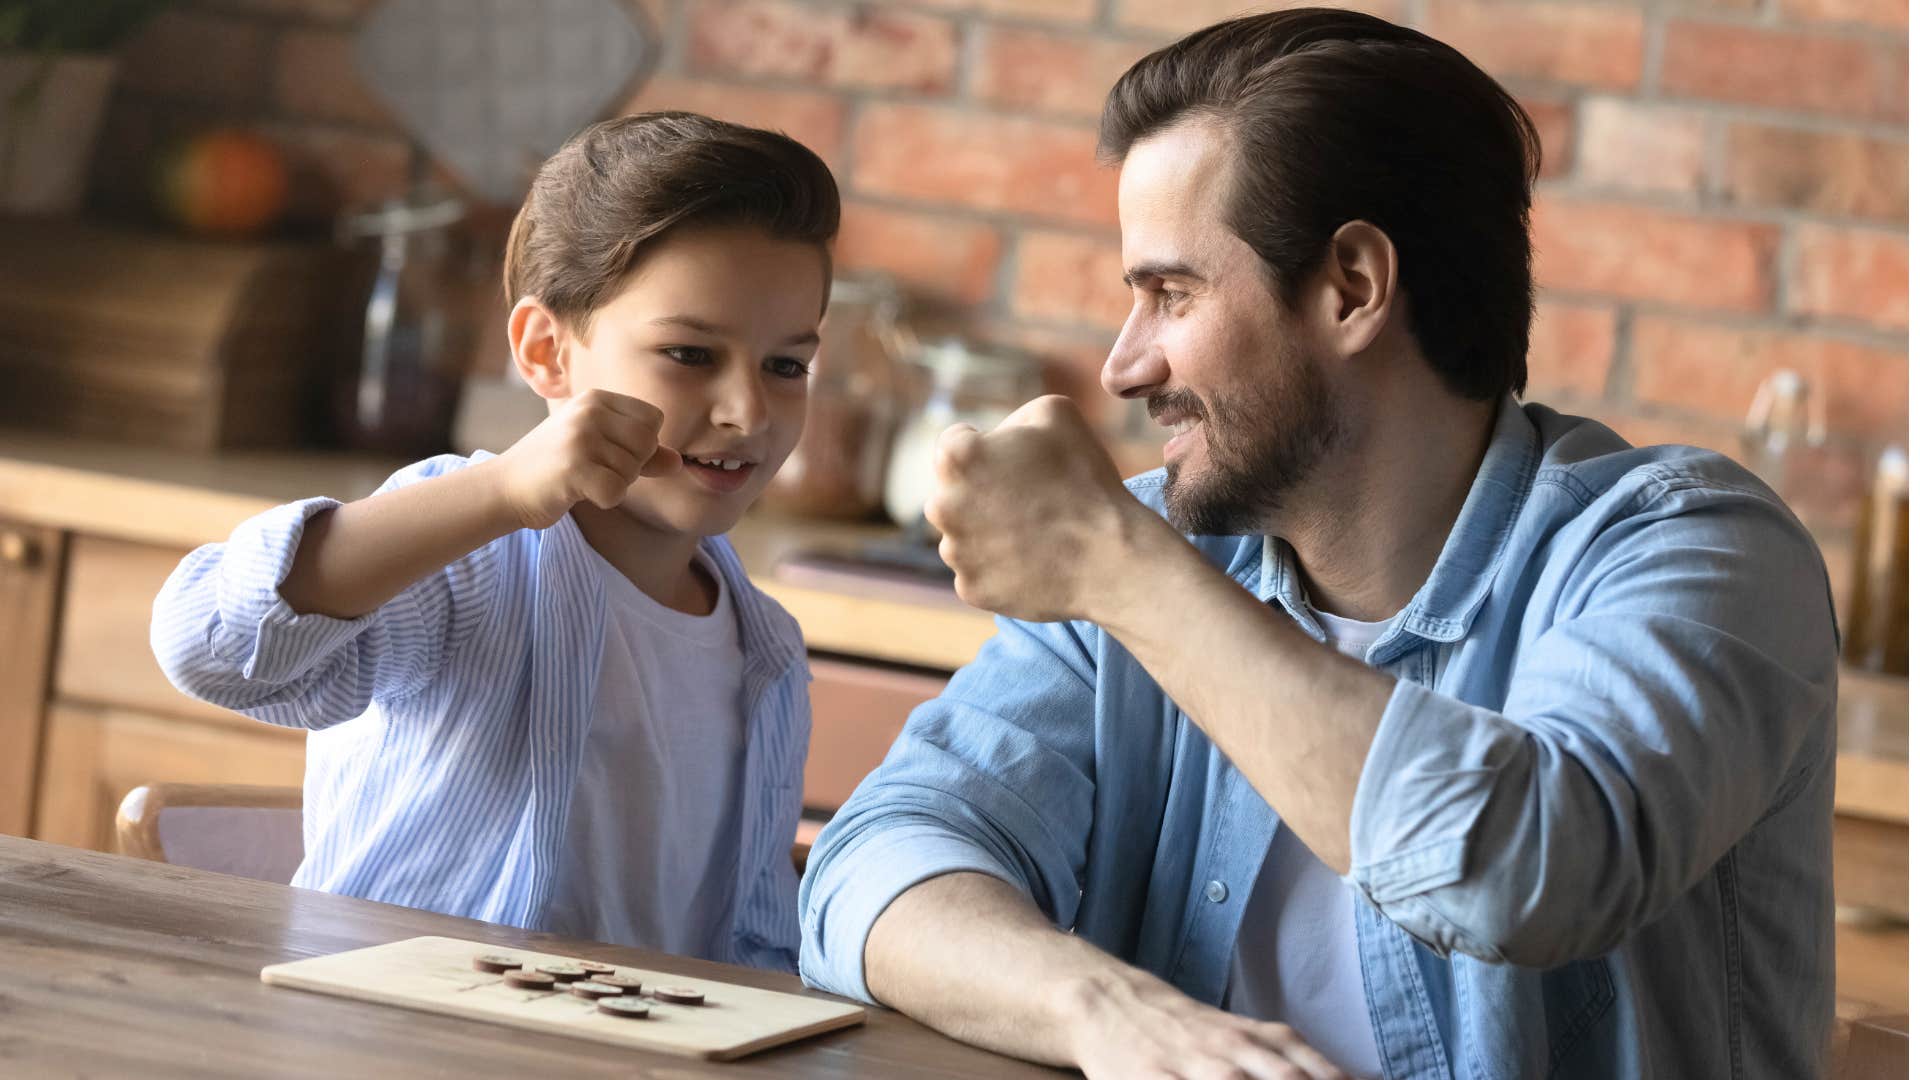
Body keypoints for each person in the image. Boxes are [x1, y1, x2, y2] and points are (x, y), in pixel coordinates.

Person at [798, 10, 1838, 1077]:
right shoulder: (1157, 554)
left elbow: (1525, 872)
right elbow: (873, 862)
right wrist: (1107, 1010)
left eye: (1171, 293)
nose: (1122, 365)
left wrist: (1122, 572)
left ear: (1352, 287)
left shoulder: (1696, 550)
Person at [152, 112, 839, 971]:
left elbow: (751, 935)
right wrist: (501, 491)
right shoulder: (467, 557)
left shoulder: (766, 647)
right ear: (547, 352)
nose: (749, 411)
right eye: (692, 353)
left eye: (787, 365)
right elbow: (207, 644)